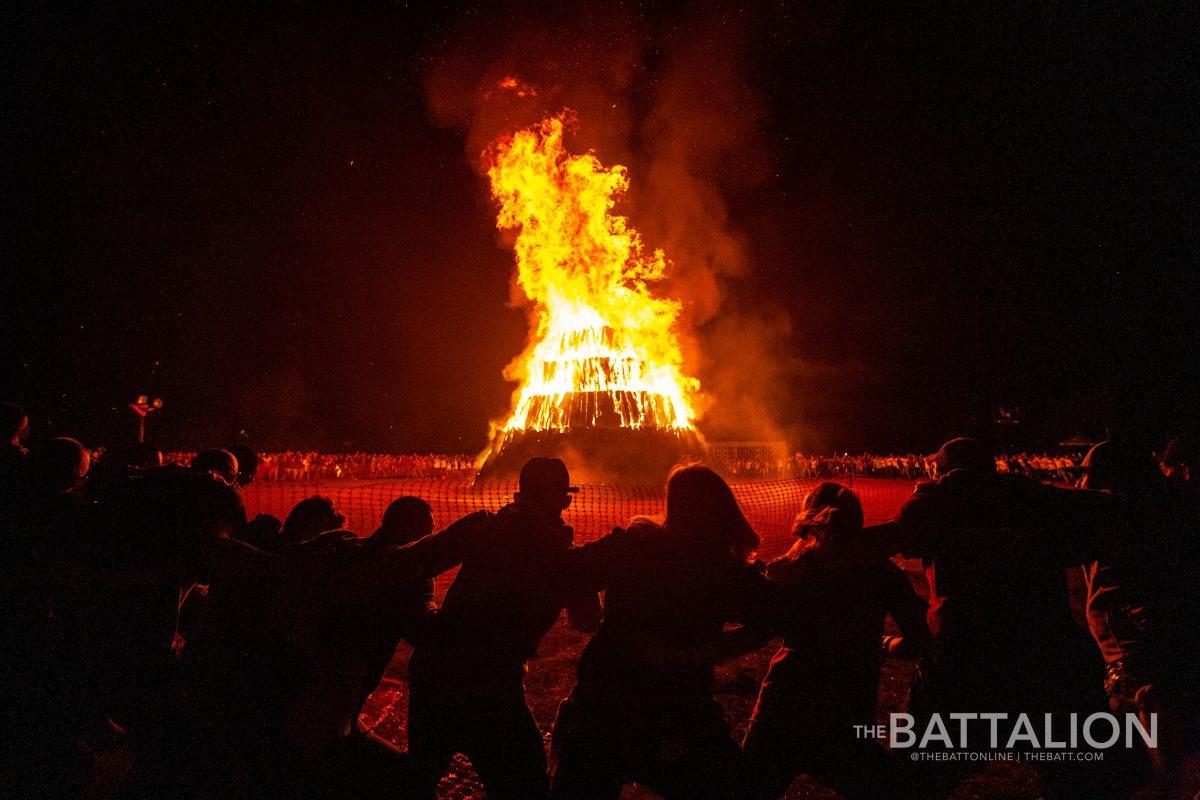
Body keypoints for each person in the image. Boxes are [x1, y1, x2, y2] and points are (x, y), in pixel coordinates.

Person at [881, 437, 1138, 799]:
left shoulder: (933, 503)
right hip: (1042, 655)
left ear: (945, 471)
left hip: (963, 661)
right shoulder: (1036, 498)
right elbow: (1109, 512)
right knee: (1083, 773)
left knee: (914, 779)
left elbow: (895, 534)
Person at [550, 464, 774, 800]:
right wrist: (711, 649)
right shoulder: (719, 569)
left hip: (604, 707)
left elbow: (569, 572)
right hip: (675, 711)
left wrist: (587, 610)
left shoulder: (634, 546)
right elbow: (779, 614)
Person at [401, 457, 603, 800]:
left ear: (518, 495)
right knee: (526, 788)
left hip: (435, 679)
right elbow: (588, 621)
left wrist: (424, 614)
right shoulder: (562, 559)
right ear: (565, 501)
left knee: (415, 781)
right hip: (493, 691)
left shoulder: (483, 527)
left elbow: (412, 563)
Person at [741, 482, 931, 800]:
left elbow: (759, 627)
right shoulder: (881, 574)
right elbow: (922, 636)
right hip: (846, 707)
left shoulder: (795, 569)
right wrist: (883, 644)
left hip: (786, 705)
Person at [1083, 440, 1200, 799]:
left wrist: (1141, 656)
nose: (1079, 485)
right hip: (1153, 647)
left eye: (1086, 475)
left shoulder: (1129, 516)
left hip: (1143, 654)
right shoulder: (1163, 508)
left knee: (1160, 755)